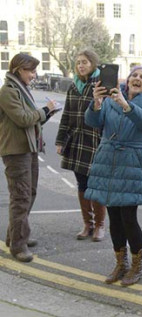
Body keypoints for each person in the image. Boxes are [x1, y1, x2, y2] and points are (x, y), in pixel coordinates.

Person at [84, 66, 142, 286]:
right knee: (114, 217)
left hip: (131, 163)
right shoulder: (111, 98)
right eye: (134, 75)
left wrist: (126, 105)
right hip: (108, 160)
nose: (137, 78)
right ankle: (121, 263)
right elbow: (93, 122)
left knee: (128, 216)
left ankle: (137, 266)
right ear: (127, 80)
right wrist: (96, 104)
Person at [0, 53, 56, 262]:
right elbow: (23, 119)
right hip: (16, 151)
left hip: (28, 148)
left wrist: (47, 114)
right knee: (21, 197)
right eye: (31, 70)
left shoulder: (21, 90)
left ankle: (15, 235)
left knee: (29, 194)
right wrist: (44, 110)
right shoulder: (8, 91)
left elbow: (32, 121)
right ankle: (18, 245)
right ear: (18, 70)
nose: (34, 75)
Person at [55, 50, 106, 242]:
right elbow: (66, 115)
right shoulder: (73, 87)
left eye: (84, 62)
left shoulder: (101, 85)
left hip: (96, 141)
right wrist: (60, 140)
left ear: (93, 64)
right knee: (82, 184)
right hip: (76, 142)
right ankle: (88, 224)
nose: (80, 66)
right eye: (78, 63)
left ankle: (100, 225)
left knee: (97, 184)